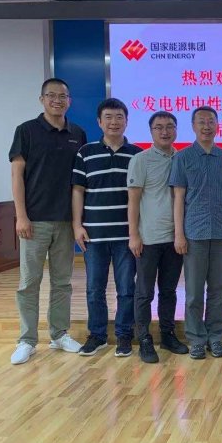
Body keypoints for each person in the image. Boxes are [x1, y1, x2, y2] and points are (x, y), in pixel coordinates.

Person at [9, 78, 87, 365]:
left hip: (65, 220)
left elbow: (80, 182)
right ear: (42, 99)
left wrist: (78, 221)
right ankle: (27, 340)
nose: (57, 100)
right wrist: (21, 215)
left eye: (62, 96)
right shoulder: (26, 130)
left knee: (62, 281)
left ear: (69, 101)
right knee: (29, 282)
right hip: (34, 221)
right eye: (51, 95)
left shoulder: (77, 133)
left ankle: (59, 334)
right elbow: (17, 174)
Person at [72, 98, 141, 357]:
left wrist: (137, 232)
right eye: (108, 117)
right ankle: (97, 335)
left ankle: (124, 335)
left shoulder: (137, 154)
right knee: (94, 289)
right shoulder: (86, 153)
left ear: (127, 121)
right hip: (94, 234)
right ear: (99, 122)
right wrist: (77, 225)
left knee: (126, 289)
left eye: (119, 117)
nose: (114, 122)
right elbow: (78, 191)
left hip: (126, 235)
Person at [169, 106, 222, 360]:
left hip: (221, 233)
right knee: (194, 292)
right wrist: (179, 234)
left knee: (218, 290)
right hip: (193, 233)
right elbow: (178, 198)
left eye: (211, 122)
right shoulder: (182, 158)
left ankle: (215, 338)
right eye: (201, 122)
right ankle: (196, 339)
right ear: (193, 126)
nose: (206, 126)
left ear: (217, 125)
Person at [127, 111, 188, 363]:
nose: (165, 131)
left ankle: (167, 334)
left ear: (176, 130)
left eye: (170, 126)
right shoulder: (141, 160)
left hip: (175, 238)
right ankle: (144, 338)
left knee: (169, 290)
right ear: (151, 131)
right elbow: (133, 200)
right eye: (159, 127)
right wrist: (133, 235)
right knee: (144, 292)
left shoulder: (182, 158)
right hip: (148, 238)